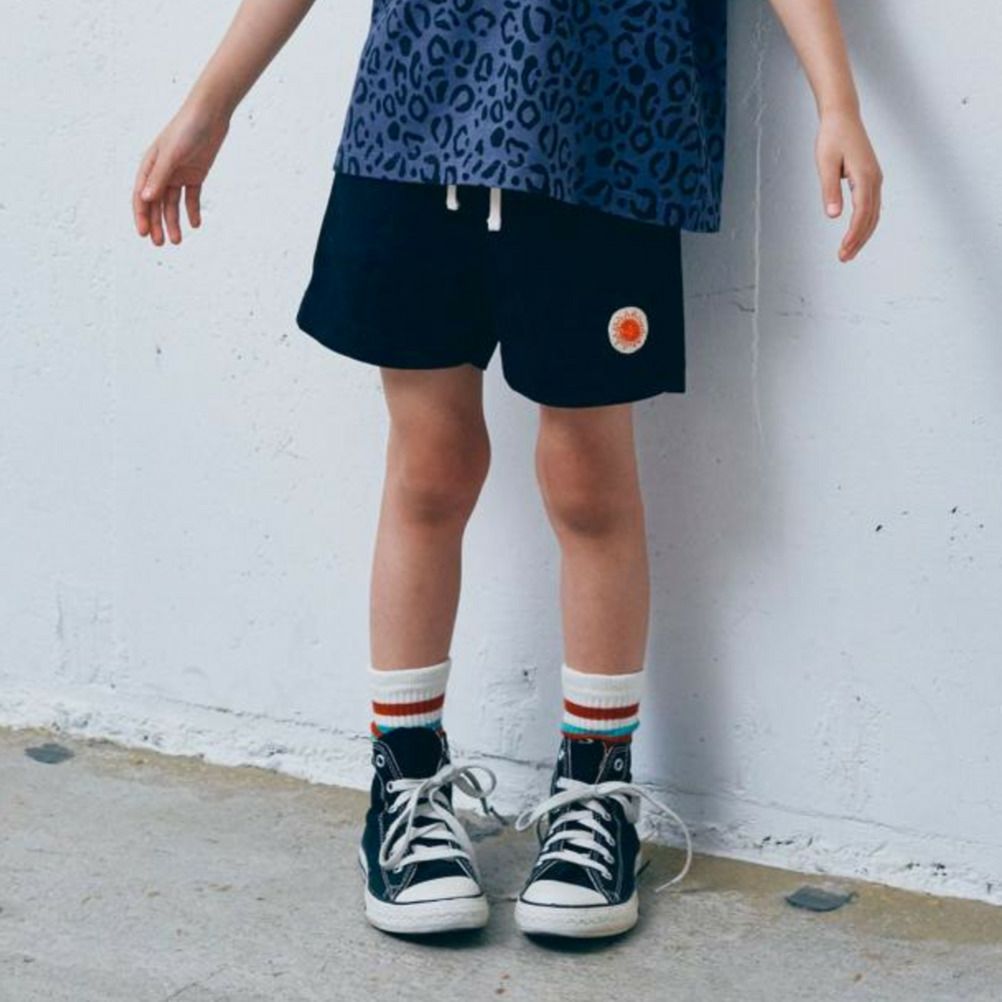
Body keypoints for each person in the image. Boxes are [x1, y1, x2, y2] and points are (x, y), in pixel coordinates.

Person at [132, 0, 882, 939]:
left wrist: (838, 101)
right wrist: (211, 102)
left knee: (588, 481)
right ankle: (406, 780)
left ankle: (596, 791)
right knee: (430, 467)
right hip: (415, 123)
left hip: (608, 130)